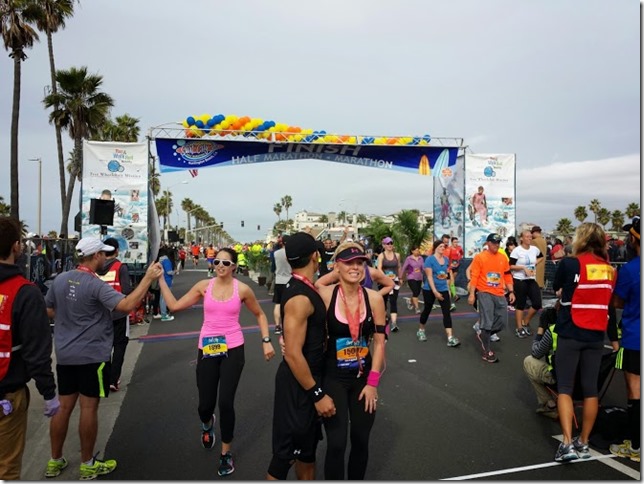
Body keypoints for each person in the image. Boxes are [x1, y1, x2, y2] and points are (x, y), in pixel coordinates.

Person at [44, 237, 162, 479]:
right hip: (92, 356)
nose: (105, 258)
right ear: (95, 255)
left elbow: (48, 309)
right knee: (89, 407)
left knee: (63, 407)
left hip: (65, 354)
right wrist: (148, 278)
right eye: (102, 254)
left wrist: (69, 315)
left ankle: (54, 461)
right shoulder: (95, 285)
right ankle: (87, 464)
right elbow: (127, 305)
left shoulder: (60, 280)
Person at [158, 247, 275, 476]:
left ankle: (225, 453)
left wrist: (266, 340)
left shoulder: (242, 289)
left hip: (233, 348)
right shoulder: (204, 286)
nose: (220, 265)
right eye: (217, 261)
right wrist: (160, 278)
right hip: (208, 349)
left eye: (225, 262)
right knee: (205, 404)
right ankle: (207, 422)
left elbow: (260, 315)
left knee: (226, 403)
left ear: (234, 266)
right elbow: (174, 306)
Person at [266, 232, 335, 480]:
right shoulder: (299, 297)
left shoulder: (303, 287)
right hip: (299, 386)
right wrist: (317, 394)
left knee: (307, 454)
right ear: (316, 256)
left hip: (309, 379)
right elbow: (294, 355)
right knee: (284, 458)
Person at [317, 242, 387, 480]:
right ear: (337, 266)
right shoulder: (326, 295)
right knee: (336, 443)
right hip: (333, 377)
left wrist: (373, 383)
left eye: (360, 263)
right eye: (349, 263)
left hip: (363, 378)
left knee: (360, 440)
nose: (355, 267)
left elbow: (379, 343)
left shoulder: (375, 298)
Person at [551, 223, 616, 462]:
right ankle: (584, 442)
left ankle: (567, 444)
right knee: (591, 390)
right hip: (596, 334)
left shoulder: (571, 263)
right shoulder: (609, 269)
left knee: (565, 388)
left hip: (571, 330)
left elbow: (557, 286)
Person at [0, 217, 59, 480]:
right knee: (6, 468)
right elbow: (37, 352)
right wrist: (49, 393)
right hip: (7, 395)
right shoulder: (25, 293)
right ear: (16, 247)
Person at [609, 216, 640, 463]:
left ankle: (636, 446)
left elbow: (617, 302)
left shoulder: (630, 269)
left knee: (635, 390)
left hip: (635, 338)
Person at [468, 233, 515, 363]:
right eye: (494, 242)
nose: (496, 245)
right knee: (487, 321)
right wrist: (472, 294)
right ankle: (487, 351)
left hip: (500, 293)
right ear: (488, 243)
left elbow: (507, 275)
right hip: (484, 292)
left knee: (502, 322)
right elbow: (474, 277)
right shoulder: (480, 257)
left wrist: (511, 291)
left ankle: (484, 333)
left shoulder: (502, 258)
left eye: (498, 242)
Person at [96, 238, 133, 392]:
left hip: (100, 315)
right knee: (119, 346)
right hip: (118, 313)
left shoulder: (96, 268)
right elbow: (126, 290)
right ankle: (113, 379)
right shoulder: (120, 267)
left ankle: (102, 381)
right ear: (117, 251)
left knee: (103, 349)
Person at [417, 240, 460, 347]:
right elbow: (430, 277)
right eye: (440, 246)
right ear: (435, 247)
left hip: (443, 288)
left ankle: (450, 337)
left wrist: (448, 290)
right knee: (427, 309)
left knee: (447, 312)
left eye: (444, 247)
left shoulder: (446, 260)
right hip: (429, 289)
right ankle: (421, 330)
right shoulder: (429, 260)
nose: (442, 248)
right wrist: (435, 292)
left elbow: (446, 275)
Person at [523, 306, 559, 420]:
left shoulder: (554, 330)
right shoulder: (591, 330)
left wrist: (541, 329)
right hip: (587, 381)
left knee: (529, 361)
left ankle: (549, 404)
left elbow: (536, 352)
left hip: (562, 379)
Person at [509, 230, 544, 338]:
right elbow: (510, 266)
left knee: (537, 303)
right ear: (521, 238)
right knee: (521, 304)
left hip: (531, 279)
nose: (529, 238)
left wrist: (534, 264)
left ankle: (525, 321)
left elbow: (541, 256)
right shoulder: (517, 251)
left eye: (530, 237)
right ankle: (519, 328)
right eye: (527, 236)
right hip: (519, 279)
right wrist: (523, 267)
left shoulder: (534, 249)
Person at [376, 237, 402, 332]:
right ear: (384, 245)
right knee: (384, 300)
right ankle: (383, 318)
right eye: (388, 243)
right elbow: (379, 268)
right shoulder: (381, 256)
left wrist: (400, 277)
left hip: (394, 281)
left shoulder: (397, 255)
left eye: (391, 243)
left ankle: (394, 323)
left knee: (393, 301)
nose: (390, 245)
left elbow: (399, 266)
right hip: (384, 281)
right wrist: (384, 278)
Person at [272, 237, 292, 336]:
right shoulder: (292, 253)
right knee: (289, 304)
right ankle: (287, 325)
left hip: (279, 279)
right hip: (290, 280)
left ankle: (277, 326)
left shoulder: (276, 253)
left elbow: (273, 266)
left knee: (278, 303)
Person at [401, 245, 424, 314]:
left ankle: (410, 301)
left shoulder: (421, 258)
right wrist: (400, 277)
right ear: (412, 251)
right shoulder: (409, 259)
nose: (417, 251)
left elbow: (423, 267)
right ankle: (417, 308)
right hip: (411, 277)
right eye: (416, 250)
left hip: (419, 277)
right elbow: (404, 268)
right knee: (415, 292)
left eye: (418, 250)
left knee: (416, 293)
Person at [158, 247, 175, 321]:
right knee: (165, 298)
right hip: (167, 280)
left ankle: (163, 313)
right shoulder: (166, 260)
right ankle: (164, 315)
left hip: (161, 280)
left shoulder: (160, 261)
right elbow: (169, 272)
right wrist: (175, 271)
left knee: (162, 298)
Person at [530, 225, 548, 290]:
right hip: (542, 265)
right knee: (539, 286)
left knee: (534, 286)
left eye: (532, 233)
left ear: (535, 232)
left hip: (535, 265)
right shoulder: (544, 241)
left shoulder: (534, 241)